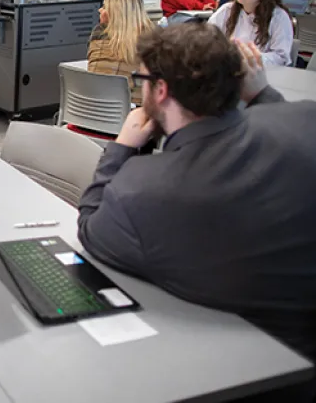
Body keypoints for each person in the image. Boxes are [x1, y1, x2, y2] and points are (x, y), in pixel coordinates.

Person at [77, 23, 316, 401]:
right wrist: (264, 96)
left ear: (161, 90)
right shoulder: (305, 118)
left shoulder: (141, 191)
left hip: (235, 378)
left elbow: (90, 226)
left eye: (142, 80)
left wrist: (122, 147)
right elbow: (290, 133)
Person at [208, 0, 293, 66]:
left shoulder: (278, 16)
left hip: (263, 72)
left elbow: (281, 57)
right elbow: (208, 37)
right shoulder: (227, 9)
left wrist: (250, 58)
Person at [87, 0, 153, 105]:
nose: (100, 10)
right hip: (135, 110)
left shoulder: (98, 36)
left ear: (115, 13)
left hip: (96, 108)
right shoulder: (152, 41)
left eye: (104, 7)